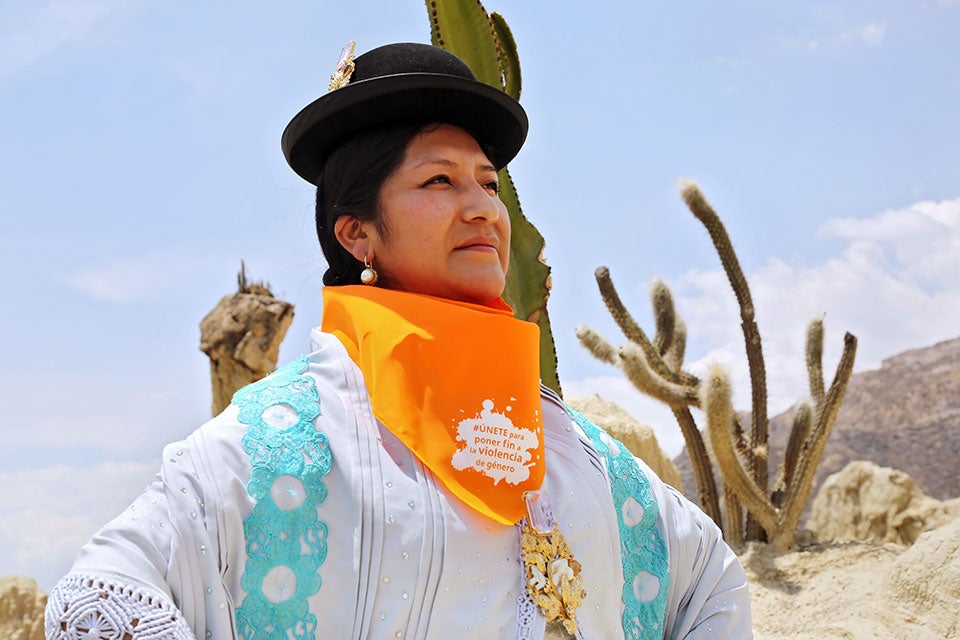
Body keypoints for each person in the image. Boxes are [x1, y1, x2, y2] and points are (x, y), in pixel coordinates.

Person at [45, 42, 753, 640]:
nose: (482, 206)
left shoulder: (579, 453)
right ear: (356, 231)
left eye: (488, 181)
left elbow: (711, 583)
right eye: (439, 180)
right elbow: (93, 602)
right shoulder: (271, 449)